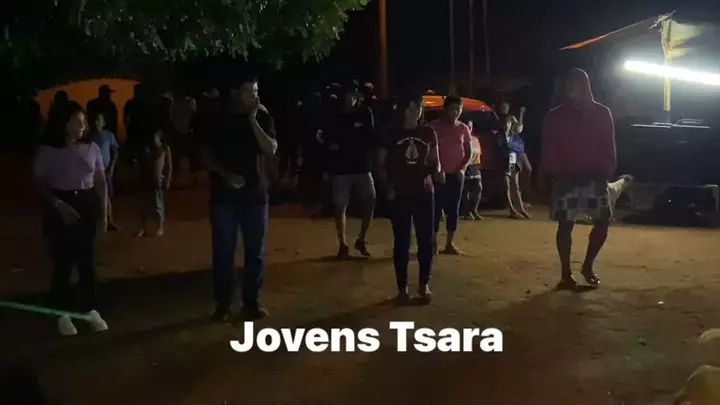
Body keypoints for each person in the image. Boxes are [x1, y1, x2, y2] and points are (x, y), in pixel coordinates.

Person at [202, 76, 277, 321]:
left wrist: (253, 120)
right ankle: (223, 304)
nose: (253, 95)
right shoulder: (218, 118)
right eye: (248, 91)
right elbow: (205, 155)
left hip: (255, 196)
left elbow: (270, 149)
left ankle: (251, 303)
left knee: (255, 252)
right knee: (223, 252)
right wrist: (225, 174)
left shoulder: (262, 116)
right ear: (235, 92)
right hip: (224, 197)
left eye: (256, 90)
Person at [33, 102, 109, 336]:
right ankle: (62, 313)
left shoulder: (92, 147)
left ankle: (90, 309)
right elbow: (40, 183)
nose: (83, 126)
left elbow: (100, 182)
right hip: (61, 203)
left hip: (86, 203)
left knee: (87, 262)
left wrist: (104, 213)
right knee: (63, 262)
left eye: (84, 122)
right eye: (78, 121)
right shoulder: (48, 151)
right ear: (63, 123)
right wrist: (58, 205)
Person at [539, 68, 616, 289]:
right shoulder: (555, 116)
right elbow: (549, 148)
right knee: (565, 224)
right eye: (570, 85)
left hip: (594, 177)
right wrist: (557, 172)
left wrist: (604, 171)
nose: (573, 89)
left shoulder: (602, 113)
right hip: (567, 178)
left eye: (577, 84)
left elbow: (608, 145)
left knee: (602, 221)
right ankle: (566, 273)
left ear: (586, 86)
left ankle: (588, 265)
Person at [377, 93, 443, 303]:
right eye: (412, 107)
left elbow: (435, 160)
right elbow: (380, 163)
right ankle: (402, 288)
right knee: (402, 240)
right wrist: (387, 186)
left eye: (419, 107)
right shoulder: (391, 133)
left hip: (424, 192)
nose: (416, 111)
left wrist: (437, 173)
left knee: (426, 240)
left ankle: (424, 285)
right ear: (403, 109)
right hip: (400, 193)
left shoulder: (428, 132)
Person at [322, 82, 377, 259]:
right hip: (341, 168)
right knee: (340, 206)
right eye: (348, 95)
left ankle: (362, 239)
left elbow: (371, 136)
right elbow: (327, 137)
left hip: (362, 166)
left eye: (354, 95)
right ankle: (343, 244)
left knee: (370, 199)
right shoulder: (336, 113)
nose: (351, 98)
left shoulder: (365, 112)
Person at [429, 95, 473, 255]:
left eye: (458, 109)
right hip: (438, 175)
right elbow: (428, 152)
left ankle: (449, 243)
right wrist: (435, 170)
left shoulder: (463, 128)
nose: (455, 112)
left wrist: (462, 168)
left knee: (454, 209)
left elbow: (468, 152)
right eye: (452, 109)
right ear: (445, 109)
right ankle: (432, 242)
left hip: (456, 174)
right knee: (435, 209)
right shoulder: (432, 127)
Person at [135, 131, 172, 237]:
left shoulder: (164, 149)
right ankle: (143, 227)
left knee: (157, 204)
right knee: (144, 205)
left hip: (157, 180)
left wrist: (167, 179)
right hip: (145, 179)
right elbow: (140, 164)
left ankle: (160, 226)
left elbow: (169, 166)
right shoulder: (147, 149)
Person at [89, 112, 120, 231]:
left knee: (106, 197)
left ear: (104, 122)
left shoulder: (109, 135)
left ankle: (109, 221)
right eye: (94, 119)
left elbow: (115, 151)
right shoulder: (89, 136)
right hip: (92, 171)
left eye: (98, 119)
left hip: (105, 170)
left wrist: (112, 166)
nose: (96, 122)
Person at [499, 115, 531, 219]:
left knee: (515, 185)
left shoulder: (514, 136)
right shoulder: (500, 135)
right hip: (503, 161)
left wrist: (510, 145)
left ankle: (521, 209)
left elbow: (519, 147)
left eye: (508, 123)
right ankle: (512, 210)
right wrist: (510, 145)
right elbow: (503, 147)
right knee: (507, 187)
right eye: (505, 123)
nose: (506, 125)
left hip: (512, 159)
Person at [169, 88, 198, 187]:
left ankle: (192, 177)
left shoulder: (190, 102)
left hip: (188, 131)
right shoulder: (174, 103)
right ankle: (176, 178)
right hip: (179, 131)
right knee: (177, 156)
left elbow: (194, 116)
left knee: (191, 156)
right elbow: (172, 118)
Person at [460, 121, 483, 221]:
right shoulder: (461, 139)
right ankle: (467, 212)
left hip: (474, 167)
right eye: (467, 127)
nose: (469, 129)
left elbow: (478, 153)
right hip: (465, 166)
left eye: (470, 127)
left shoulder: (475, 139)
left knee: (478, 188)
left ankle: (474, 210)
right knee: (465, 191)